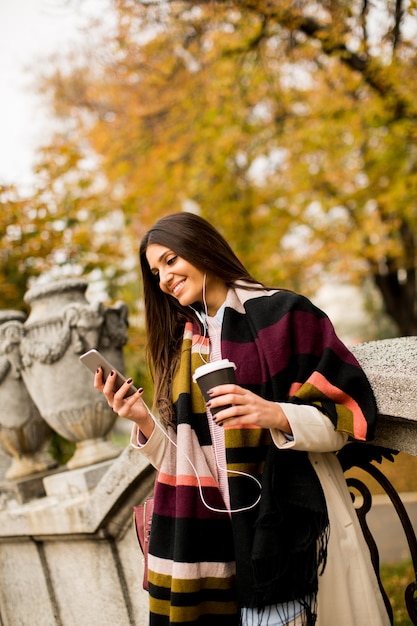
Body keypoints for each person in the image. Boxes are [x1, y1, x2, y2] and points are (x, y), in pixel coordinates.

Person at [95, 212, 391, 626]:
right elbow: (191, 463)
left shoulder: (286, 313)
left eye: (170, 260)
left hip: (289, 534)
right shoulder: (187, 347)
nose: (163, 278)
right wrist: (142, 419)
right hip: (220, 545)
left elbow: (347, 418)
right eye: (155, 271)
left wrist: (274, 413)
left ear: (201, 248)